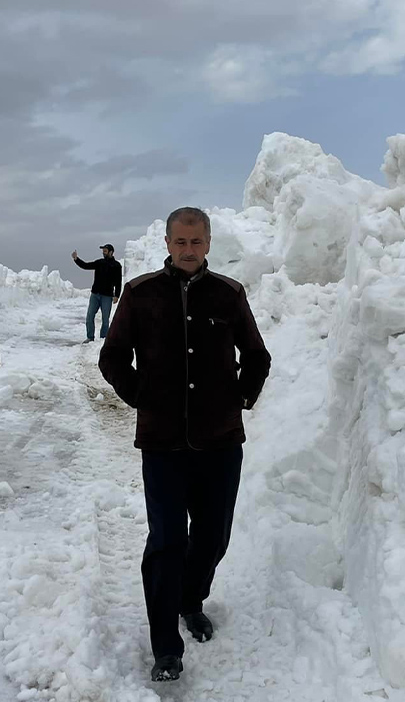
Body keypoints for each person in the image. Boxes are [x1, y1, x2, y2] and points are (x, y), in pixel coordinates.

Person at [98, 207, 271, 682]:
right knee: (168, 539)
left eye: (196, 242)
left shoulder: (229, 294)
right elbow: (112, 357)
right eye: (180, 242)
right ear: (169, 244)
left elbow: (257, 356)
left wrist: (239, 397)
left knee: (213, 536)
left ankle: (190, 599)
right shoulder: (139, 293)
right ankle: (165, 647)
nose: (188, 250)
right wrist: (141, 396)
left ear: (209, 243)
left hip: (219, 442)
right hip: (163, 443)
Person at [71, 244, 122, 342]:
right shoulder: (100, 262)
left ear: (111, 252)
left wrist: (117, 295)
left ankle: (103, 339)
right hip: (95, 294)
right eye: (103, 251)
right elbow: (86, 266)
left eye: (105, 251)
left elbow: (118, 282)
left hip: (107, 296)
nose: (103, 252)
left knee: (105, 319)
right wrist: (76, 259)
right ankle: (90, 337)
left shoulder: (116, 266)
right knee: (90, 316)